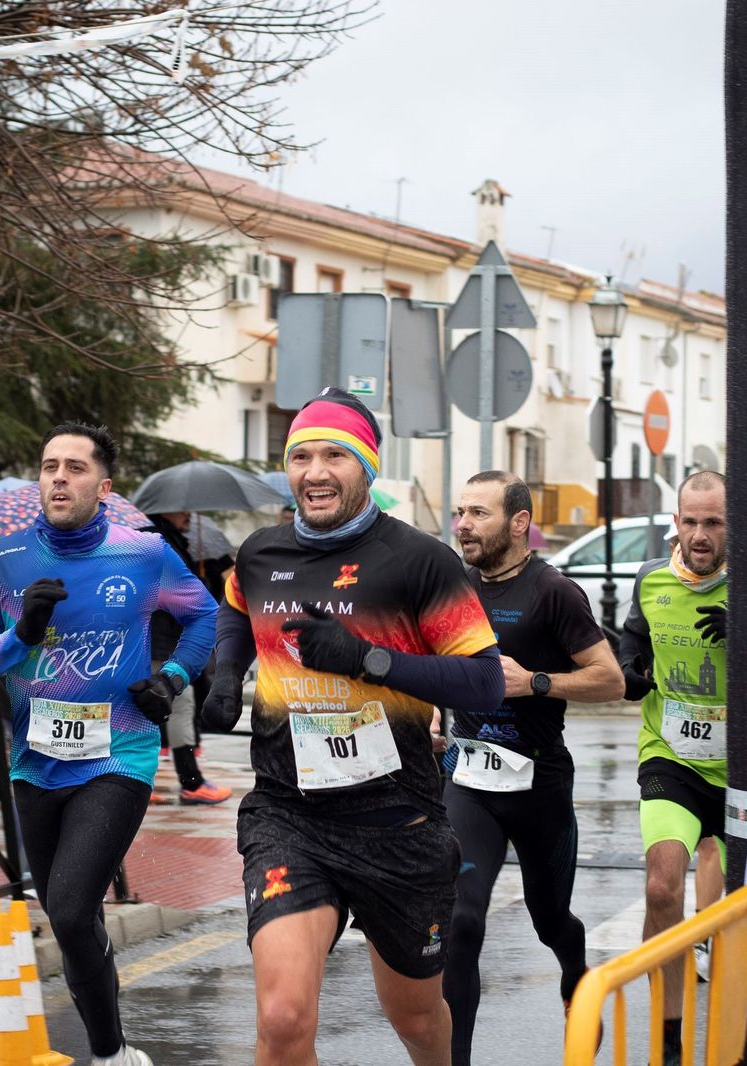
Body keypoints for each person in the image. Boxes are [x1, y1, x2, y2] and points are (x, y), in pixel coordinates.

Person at [199, 387, 504, 1066]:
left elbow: (484, 682)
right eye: (300, 456)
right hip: (290, 817)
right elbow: (235, 608)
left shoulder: (421, 561)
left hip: (399, 825)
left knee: (419, 1022)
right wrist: (226, 674)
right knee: (281, 1020)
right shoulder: (260, 553)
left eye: (334, 454)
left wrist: (368, 659)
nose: (314, 471)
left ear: (367, 466)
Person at [0, 422, 218, 1066]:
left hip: (116, 755)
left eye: (74, 467)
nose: (59, 478)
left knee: (70, 911)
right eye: (48, 466)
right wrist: (24, 632)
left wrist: (173, 677)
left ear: (104, 485)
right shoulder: (4, 559)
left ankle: (108, 1056)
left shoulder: (143, 553)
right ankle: (115, 1047)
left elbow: (203, 615)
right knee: (74, 924)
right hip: (34, 762)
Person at [443, 471, 624, 1064]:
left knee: (551, 921)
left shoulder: (554, 592)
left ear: (519, 523)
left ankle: (576, 968)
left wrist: (535, 683)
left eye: (478, 513)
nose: (464, 524)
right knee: (462, 919)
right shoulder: (452, 585)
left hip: (539, 783)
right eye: (460, 512)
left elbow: (611, 680)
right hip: (469, 779)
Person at [617, 470, 729, 1065]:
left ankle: (743, 1038)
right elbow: (630, 644)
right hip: (672, 757)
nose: (700, 535)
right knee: (662, 884)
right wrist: (631, 671)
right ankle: (666, 1042)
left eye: (713, 523)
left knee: (741, 914)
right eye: (691, 521)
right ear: (676, 523)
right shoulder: (650, 579)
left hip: (745, 773)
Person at [140, 510, 233, 805]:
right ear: (166, 509)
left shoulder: (165, 539)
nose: (190, 516)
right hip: (163, 643)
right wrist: (199, 587)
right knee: (178, 707)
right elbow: (173, 592)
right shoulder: (159, 542)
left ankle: (141, 782)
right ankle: (190, 783)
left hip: (158, 642)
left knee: (154, 711)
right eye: (183, 510)